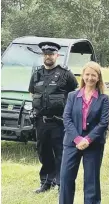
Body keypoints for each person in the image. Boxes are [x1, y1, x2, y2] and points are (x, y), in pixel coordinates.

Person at [29, 41, 78, 193]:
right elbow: (32, 92)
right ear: (43, 56)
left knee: (61, 152)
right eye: (46, 54)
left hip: (59, 122)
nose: (48, 57)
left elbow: (74, 93)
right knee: (44, 152)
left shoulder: (65, 73)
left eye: (51, 54)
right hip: (41, 121)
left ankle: (61, 182)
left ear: (57, 55)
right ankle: (46, 182)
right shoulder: (36, 74)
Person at [59, 61, 109, 204]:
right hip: (71, 143)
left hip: (93, 145)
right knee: (66, 178)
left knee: (91, 181)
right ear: (82, 76)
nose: (90, 78)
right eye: (87, 74)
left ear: (98, 77)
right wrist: (77, 139)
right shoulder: (72, 96)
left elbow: (104, 122)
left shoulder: (103, 99)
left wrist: (87, 139)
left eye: (93, 75)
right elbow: (67, 118)